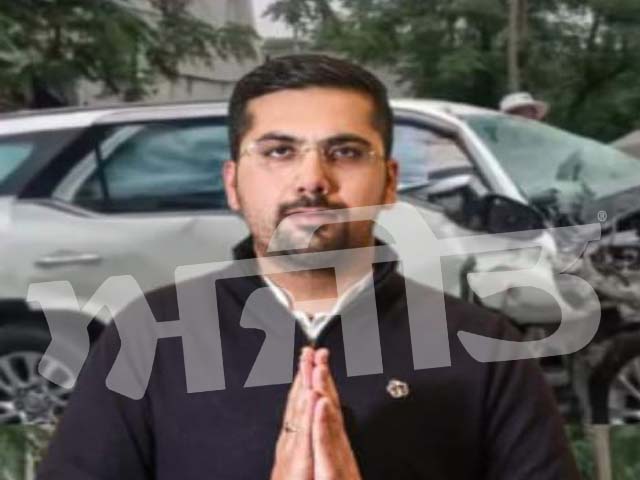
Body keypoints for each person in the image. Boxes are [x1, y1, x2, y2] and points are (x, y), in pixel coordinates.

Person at [38, 54, 579, 479]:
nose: (312, 179)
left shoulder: (485, 348)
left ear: (389, 182)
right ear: (233, 183)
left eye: (345, 152)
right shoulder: (147, 337)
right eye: (279, 151)